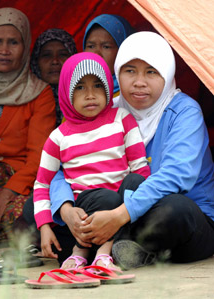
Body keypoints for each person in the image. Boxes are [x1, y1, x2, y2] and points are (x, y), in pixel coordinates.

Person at [48, 31, 214, 269]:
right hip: (112, 207)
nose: (139, 82)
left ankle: (105, 245)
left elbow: (176, 175)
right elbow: (61, 165)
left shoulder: (185, 112)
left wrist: (118, 216)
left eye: (151, 71)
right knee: (40, 208)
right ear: (117, 72)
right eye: (130, 71)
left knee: (176, 210)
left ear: (167, 74)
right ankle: (119, 248)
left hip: (182, 219)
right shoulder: (107, 110)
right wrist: (66, 211)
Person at [34, 52, 150, 270]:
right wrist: (44, 226)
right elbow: (42, 184)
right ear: (66, 91)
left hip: (122, 206)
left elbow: (140, 168)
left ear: (108, 87)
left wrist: (136, 205)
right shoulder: (58, 137)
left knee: (136, 181)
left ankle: (96, 253)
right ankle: (91, 252)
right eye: (80, 87)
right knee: (104, 198)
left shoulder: (122, 118)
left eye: (97, 85)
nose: (90, 95)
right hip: (85, 208)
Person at [0, 7, 56, 244]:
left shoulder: (40, 93)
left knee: (26, 216)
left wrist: (5, 196)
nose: (4, 50)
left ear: (25, 46)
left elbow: (40, 157)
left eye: (13, 42)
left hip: (21, 187)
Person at [30, 28, 77, 126]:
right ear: (36, 62)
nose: (55, 61)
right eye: (47, 55)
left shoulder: (87, 97)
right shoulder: (24, 100)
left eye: (63, 54)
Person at [83, 14, 134, 98]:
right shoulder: (75, 90)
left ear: (122, 51)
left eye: (106, 47)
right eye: (91, 46)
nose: (96, 54)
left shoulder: (135, 93)